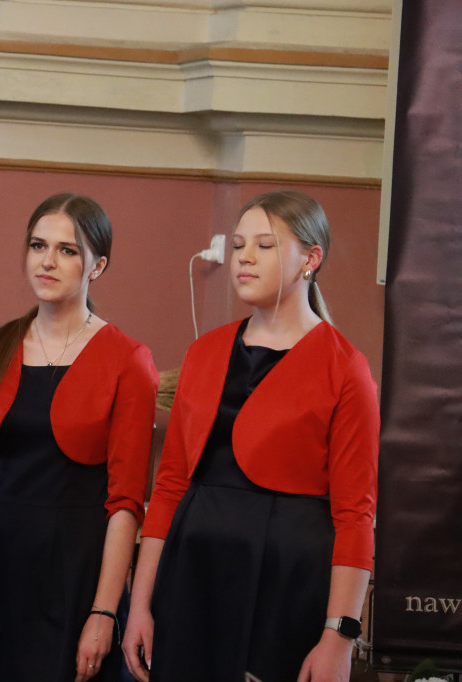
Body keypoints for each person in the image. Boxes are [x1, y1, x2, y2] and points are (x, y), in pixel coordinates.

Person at [121, 191, 379, 682]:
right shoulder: (205, 352)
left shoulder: (345, 368)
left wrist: (339, 636)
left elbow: (355, 515)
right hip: (192, 573)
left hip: (286, 584)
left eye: (265, 245)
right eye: (239, 245)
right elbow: (170, 486)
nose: (244, 257)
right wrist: (140, 605)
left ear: (311, 258)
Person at [0, 194, 158, 682]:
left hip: (73, 568)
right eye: (38, 245)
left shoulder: (127, 359)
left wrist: (104, 611)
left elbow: (126, 501)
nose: (47, 261)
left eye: (67, 250)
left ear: (97, 266)